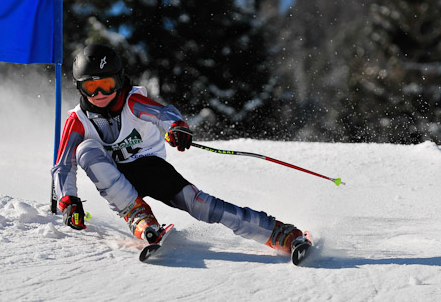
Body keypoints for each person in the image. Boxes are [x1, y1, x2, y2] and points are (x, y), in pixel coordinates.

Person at [52, 44, 307, 254]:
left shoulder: (132, 103)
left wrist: (176, 127)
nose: (98, 94)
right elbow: (63, 165)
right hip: (116, 182)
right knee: (84, 150)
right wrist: (69, 201)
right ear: (80, 88)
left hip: (151, 169)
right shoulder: (77, 121)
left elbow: (164, 113)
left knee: (200, 205)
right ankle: (138, 216)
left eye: (105, 85)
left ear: (118, 81)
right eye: (90, 87)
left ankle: (279, 233)